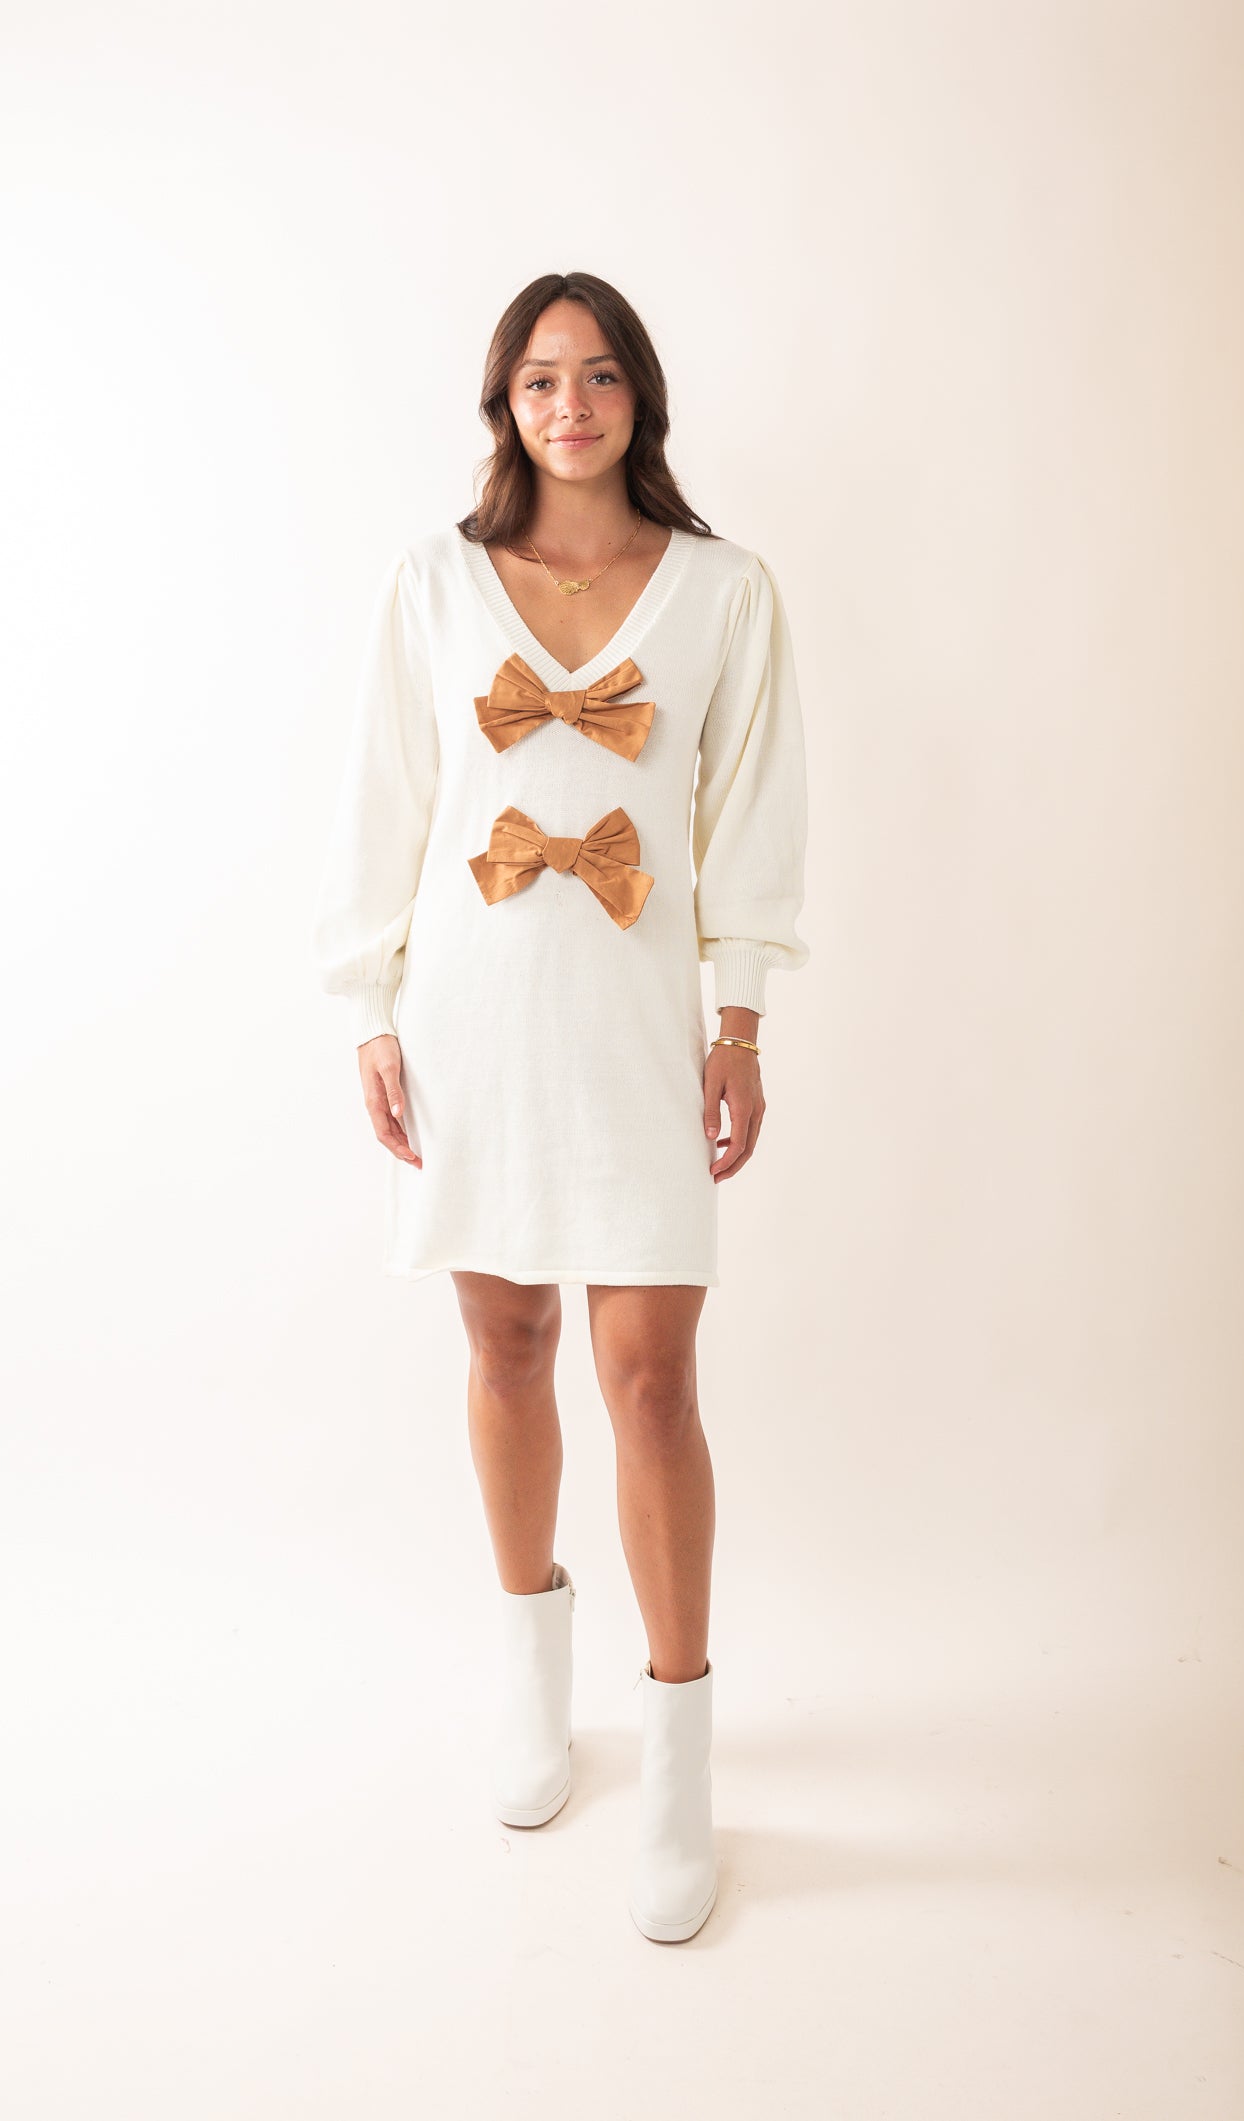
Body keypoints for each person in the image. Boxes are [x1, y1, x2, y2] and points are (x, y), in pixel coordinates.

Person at [313, 271, 810, 1943]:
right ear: (504, 403)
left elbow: (751, 818)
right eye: (540, 379)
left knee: (650, 1376)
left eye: (598, 376)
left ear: (637, 398)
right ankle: (532, 1675)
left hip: (636, 1025)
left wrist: (738, 1017)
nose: (571, 405)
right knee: (507, 1339)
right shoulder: (432, 582)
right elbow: (382, 802)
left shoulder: (726, 590)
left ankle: (677, 1756)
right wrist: (370, 1010)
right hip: (471, 1012)